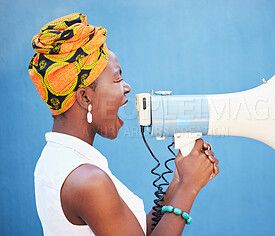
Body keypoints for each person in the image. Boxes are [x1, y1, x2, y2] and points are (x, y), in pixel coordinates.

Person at [30, 13, 219, 236]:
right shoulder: (88, 180)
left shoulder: (58, 159)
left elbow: (132, 230)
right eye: (118, 79)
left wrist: (178, 182)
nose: (127, 87)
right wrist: (189, 187)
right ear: (85, 98)